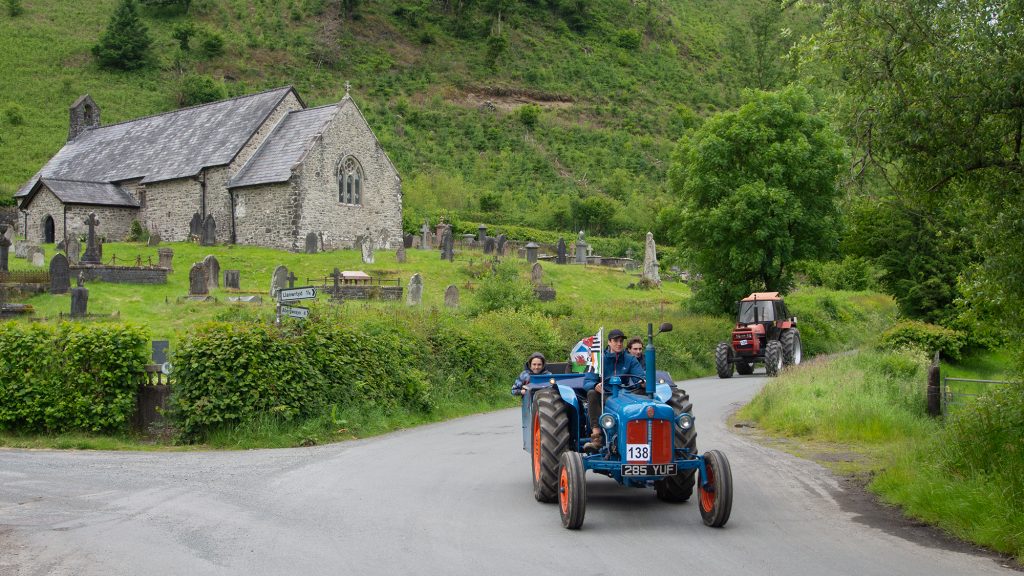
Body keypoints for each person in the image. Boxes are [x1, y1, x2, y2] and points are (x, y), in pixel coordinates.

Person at [583, 329, 645, 451]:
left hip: (624, 394)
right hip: (605, 394)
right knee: (591, 393)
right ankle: (596, 437)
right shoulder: (599, 360)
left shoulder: (630, 359)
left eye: (621, 341)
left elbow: (640, 377)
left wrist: (643, 382)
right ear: (609, 342)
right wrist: (595, 385)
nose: (619, 343)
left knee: (646, 394)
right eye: (616, 341)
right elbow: (587, 382)